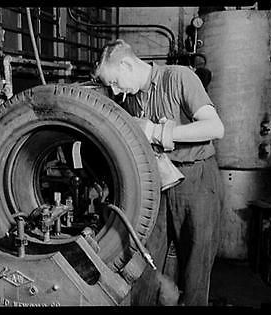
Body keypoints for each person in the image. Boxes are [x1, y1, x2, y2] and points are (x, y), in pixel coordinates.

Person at [92, 39, 225, 306]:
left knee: (195, 265)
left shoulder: (178, 77)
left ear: (127, 64)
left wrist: (157, 131)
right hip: (157, 183)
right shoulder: (131, 96)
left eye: (116, 82)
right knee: (145, 257)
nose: (116, 91)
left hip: (196, 180)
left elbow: (215, 128)